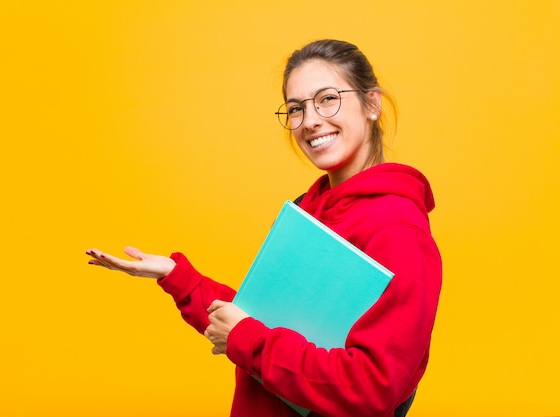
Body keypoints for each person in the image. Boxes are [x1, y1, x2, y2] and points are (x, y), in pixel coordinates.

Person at [86, 39, 442, 417]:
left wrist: (246, 340)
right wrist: (177, 276)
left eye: (327, 99)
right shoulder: (309, 207)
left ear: (372, 104)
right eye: (296, 108)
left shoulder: (400, 232)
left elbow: (372, 385)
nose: (309, 121)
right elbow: (262, 322)